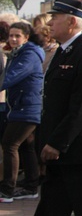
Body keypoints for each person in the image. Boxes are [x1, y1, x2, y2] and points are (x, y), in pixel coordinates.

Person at [36, 0, 82, 216]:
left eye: (55, 18)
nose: (50, 24)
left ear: (71, 22)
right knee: (52, 206)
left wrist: (58, 142)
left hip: (81, 152)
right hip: (62, 153)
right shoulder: (64, 51)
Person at [0, 22, 44, 203]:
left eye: (17, 36)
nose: (13, 39)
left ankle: (7, 190)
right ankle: (30, 186)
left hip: (27, 108)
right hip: (20, 107)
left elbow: (12, 76)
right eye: (11, 35)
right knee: (26, 146)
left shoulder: (29, 54)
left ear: (26, 37)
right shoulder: (18, 53)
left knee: (10, 144)